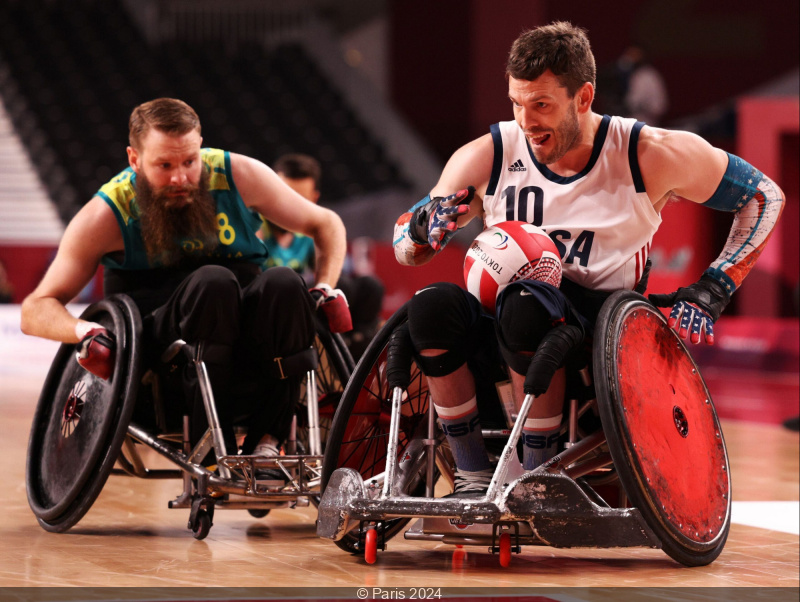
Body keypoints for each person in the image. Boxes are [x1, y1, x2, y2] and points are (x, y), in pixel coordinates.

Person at [393, 22, 784, 496]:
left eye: (541, 105)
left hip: (598, 323)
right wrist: (420, 230)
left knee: (526, 304)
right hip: (499, 316)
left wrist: (715, 286)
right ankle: (472, 473)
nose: (525, 121)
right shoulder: (488, 154)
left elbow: (764, 196)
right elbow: (407, 248)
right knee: (429, 305)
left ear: (583, 97)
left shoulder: (647, 153)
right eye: (516, 103)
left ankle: (537, 477)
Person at [20, 98, 349, 473]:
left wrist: (325, 286)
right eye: (164, 166)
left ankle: (269, 444)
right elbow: (35, 308)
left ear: (200, 148)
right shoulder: (108, 213)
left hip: (244, 330)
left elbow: (327, 224)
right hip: (164, 344)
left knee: (286, 283)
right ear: (134, 159)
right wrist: (85, 330)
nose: (179, 177)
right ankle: (212, 438)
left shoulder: (237, 175)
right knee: (214, 282)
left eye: (189, 162)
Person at [264, 153, 385, 358]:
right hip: (276, 305)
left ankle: (355, 354)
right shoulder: (255, 223)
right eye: (285, 195)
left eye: (300, 199)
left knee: (370, 287)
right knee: (340, 286)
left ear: (314, 199)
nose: (291, 207)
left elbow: (342, 269)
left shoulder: (311, 231)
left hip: (311, 302)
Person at [615, 46, 669, 126]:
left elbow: (633, 102)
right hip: (637, 120)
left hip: (643, 121)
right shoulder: (638, 74)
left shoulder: (645, 75)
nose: (628, 58)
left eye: (633, 55)